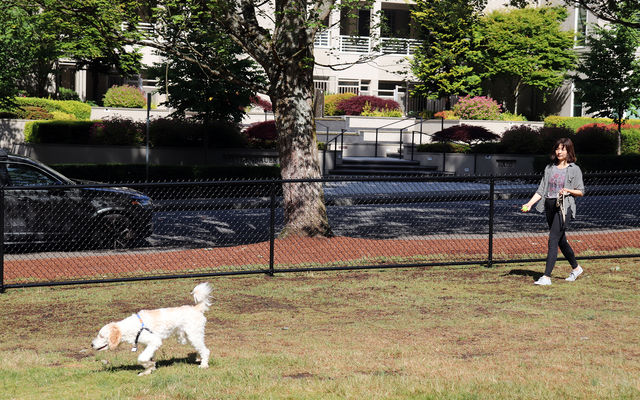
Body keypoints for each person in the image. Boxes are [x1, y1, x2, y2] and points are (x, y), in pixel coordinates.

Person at [521, 137, 584, 285]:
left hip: (564, 207)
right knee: (561, 240)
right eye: (557, 148)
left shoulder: (574, 169)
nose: (559, 151)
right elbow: (541, 190)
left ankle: (546, 277)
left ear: (569, 151)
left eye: (562, 149)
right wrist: (529, 203)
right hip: (549, 205)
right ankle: (576, 268)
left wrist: (568, 190)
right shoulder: (549, 168)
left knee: (553, 239)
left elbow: (581, 191)